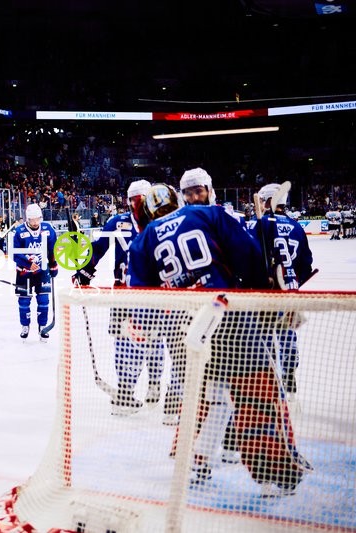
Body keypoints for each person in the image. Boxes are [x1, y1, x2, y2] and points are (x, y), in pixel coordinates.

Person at [130, 184, 307, 495]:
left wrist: (143, 324)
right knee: (256, 395)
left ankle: (194, 463)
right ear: (177, 199)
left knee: (208, 400)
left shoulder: (142, 241)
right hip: (229, 318)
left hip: (190, 330)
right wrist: (264, 293)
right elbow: (247, 254)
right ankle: (273, 475)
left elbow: (143, 301)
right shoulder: (208, 213)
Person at [72, 180, 166, 415]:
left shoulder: (161, 222)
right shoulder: (118, 222)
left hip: (155, 292)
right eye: (135, 198)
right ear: (128, 200)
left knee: (155, 339)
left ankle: (154, 384)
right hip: (123, 291)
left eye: (143, 198)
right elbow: (99, 248)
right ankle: (125, 392)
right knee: (123, 342)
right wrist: (84, 271)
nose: (139, 203)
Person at [252, 182, 314, 398]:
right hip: (289, 291)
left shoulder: (258, 224)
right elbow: (306, 263)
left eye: (262, 201)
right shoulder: (296, 227)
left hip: (266, 293)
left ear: (269, 201)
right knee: (287, 335)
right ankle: (289, 375)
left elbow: (248, 255)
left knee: (265, 337)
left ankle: (270, 382)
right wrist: (295, 281)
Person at [11, 204, 58, 342]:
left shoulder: (48, 229)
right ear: (27, 219)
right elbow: (14, 253)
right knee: (24, 301)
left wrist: (54, 265)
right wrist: (27, 264)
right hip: (23, 272)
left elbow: (53, 249)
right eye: (32, 220)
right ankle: (25, 326)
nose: (35, 222)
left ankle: (42, 327)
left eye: (37, 219)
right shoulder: (19, 231)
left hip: (42, 271)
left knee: (44, 300)